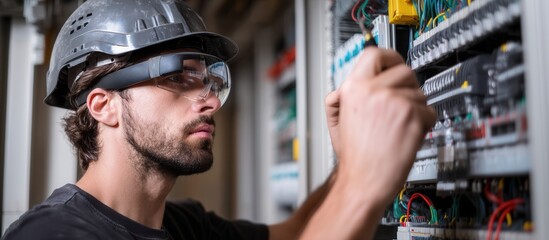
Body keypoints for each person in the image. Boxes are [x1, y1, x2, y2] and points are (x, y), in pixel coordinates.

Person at [2, 0, 436, 239]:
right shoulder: (52, 235)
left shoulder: (183, 225)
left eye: (210, 81)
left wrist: (348, 164)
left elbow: (295, 234)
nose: (210, 101)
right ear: (103, 106)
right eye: (178, 77)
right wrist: (364, 182)